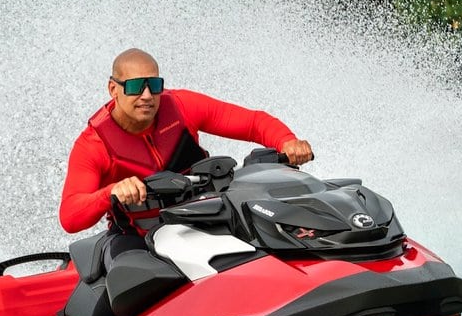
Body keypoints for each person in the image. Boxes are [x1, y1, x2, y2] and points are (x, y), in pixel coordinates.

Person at [59, 48, 313, 239]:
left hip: (209, 215)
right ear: (113, 89)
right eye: (136, 86)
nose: (147, 96)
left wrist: (287, 141)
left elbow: (253, 122)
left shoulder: (182, 106)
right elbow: (70, 217)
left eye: (154, 85)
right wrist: (111, 191)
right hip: (138, 237)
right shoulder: (93, 145)